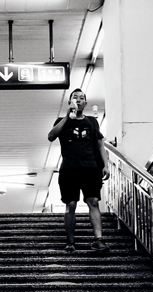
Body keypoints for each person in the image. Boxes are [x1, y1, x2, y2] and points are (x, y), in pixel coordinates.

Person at [47, 88, 111, 253]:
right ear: (70, 102)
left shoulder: (92, 122)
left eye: (82, 98)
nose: (79, 100)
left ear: (86, 103)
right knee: (71, 204)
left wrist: (105, 164)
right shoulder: (61, 121)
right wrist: (68, 116)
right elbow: (51, 136)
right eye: (75, 98)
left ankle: (98, 240)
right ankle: (70, 242)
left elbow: (100, 144)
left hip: (90, 168)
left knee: (93, 202)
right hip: (69, 169)